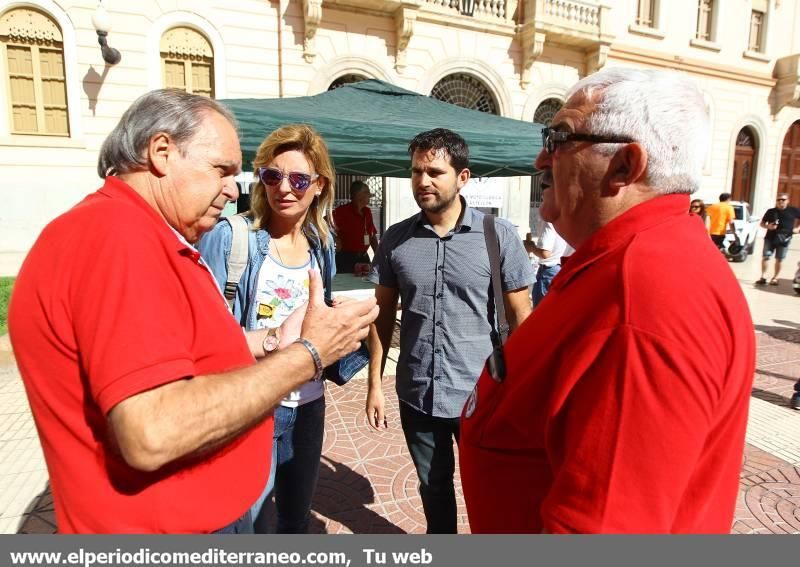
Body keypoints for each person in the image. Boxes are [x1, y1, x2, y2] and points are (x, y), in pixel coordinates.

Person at [7, 90, 378, 533]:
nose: (233, 187)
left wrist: (277, 337)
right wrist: (309, 354)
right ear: (162, 151)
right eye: (222, 169)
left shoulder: (139, 235)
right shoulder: (117, 239)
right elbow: (152, 431)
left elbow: (190, 352)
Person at [459, 68, 755, 533]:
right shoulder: (632, 262)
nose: (541, 158)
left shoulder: (644, 296)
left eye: (558, 138)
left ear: (624, 166)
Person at [365, 128, 535, 533]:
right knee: (433, 489)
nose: (422, 181)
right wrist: (374, 383)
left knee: (489, 490)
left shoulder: (498, 236)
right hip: (418, 393)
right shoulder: (396, 239)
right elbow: (382, 314)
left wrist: (527, 392)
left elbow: (521, 315)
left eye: (435, 172)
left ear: (463, 178)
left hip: (482, 395)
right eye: (416, 172)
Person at [198, 124, 341, 534]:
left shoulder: (321, 244)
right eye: (272, 175)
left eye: (298, 179)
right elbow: (205, 338)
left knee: (295, 522)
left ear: (319, 185)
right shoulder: (231, 237)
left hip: (309, 404)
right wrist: (276, 338)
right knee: (247, 525)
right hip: (254, 405)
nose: (284, 188)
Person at [333, 180, 379, 274]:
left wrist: (378, 255)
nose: (369, 197)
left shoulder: (367, 212)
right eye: (367, 193)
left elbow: (372, 236)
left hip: (363, 257)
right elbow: (323, 224)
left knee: (367, 285)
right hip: (345, 259)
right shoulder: (342, 211)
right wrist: (334, 238)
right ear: (360, 195)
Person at [755, 193, 800, 286]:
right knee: (766, 257)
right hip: (770, 238)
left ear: (788, 201)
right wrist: (768, 226)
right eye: (778, 200)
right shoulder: (771, 211)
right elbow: (762, 223)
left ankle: (775, 278)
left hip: (785, 238)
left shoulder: (793, 210)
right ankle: (763, 277)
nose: (780, 202)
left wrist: (798, 228)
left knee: (779, 259)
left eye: (783, 200)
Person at [524, 221, 569, 307]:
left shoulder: (549, 221)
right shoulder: (567, 219)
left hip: (549, 272)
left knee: (542, 314)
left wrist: (530, 247)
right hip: (563, 268)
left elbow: (545, 253)